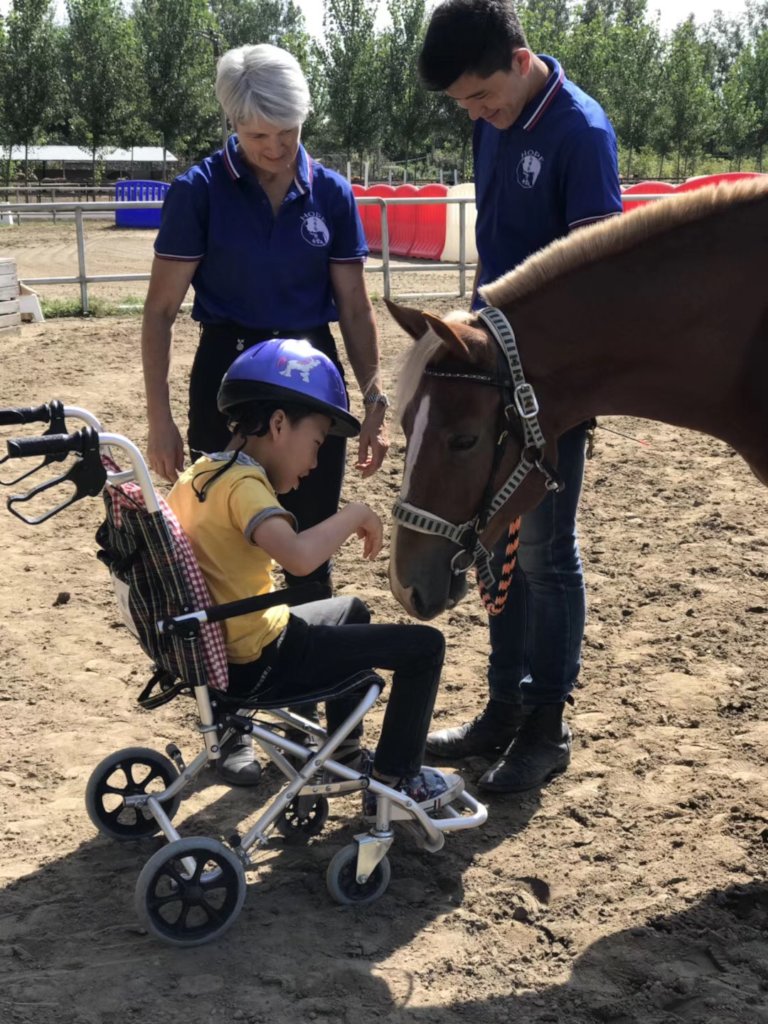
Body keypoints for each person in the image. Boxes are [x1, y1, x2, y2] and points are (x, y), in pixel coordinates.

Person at [141, 43, 389, 783]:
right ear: (232, 126)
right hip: (231, 377)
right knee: (221, 554)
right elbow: (159, 312)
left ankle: (321, 724)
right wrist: (160, 418)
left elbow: (352, 304)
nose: (276, 150)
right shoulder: (199, 191)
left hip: (313, 381)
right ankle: (231, 730)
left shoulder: (334, 194)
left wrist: (372, 392)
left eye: (287, 133)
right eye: (258, 137)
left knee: (309, 549)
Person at [417, 0, 623, 793]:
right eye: (464, 106)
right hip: (491, 377)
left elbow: (595, 280)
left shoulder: (581, 133)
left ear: (521, 56)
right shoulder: (494, 123)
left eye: (481, 97)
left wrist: (547, 380)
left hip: (552, 391)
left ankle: (546, 726)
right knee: (496, 546)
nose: (477, 115)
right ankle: (502, 708)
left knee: (544, 553)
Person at [166, 337, 461, 813]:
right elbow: (300, 559)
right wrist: (355, 514)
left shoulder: (201, 475)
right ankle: (397, 778)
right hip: (261, 659)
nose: (316, 462)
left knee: (353, 609)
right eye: (317, 443)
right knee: (425, 648)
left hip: (225, 641)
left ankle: (342, 752)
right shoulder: (246, 488)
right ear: (280, 424)